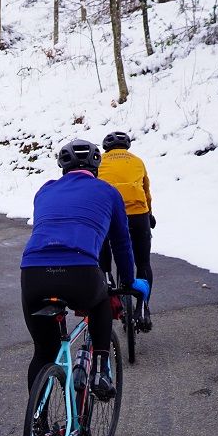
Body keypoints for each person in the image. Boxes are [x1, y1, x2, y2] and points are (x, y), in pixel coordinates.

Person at [19, 139, 149, 400]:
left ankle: (37, 419)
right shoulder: (109, 192)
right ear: (96, 166)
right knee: (101, 301)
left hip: (33, 272)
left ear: (63, 167)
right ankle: (100, 370)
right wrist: (128, 280)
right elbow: (121, 243)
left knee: (43, 352)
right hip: (80, 270)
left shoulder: (45, 190)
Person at [98, 131, 155, 330]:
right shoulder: (138, 161)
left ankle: (107, 277)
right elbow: (146, 191)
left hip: (109, 213)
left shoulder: (100, 161)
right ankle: (142, 308)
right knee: (143, 262)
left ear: (106, 147)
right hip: (138, 214)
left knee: (104, 246)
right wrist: (150, 214)